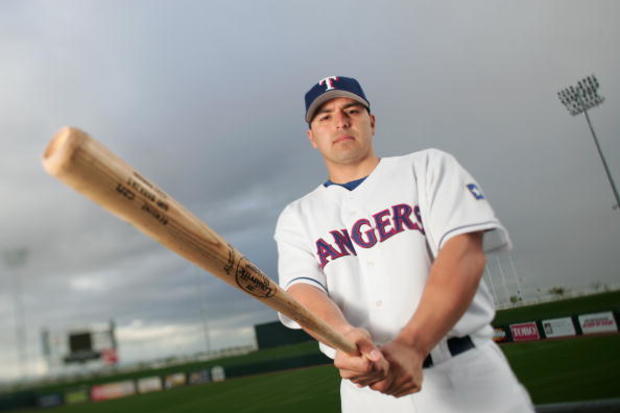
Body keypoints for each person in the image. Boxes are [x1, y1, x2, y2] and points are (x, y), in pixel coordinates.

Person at [274, 76, 533, 412]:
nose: (341, 120)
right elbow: (302, 292)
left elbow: (464, 255)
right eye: (325, 117)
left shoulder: (427, 167)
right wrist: (341, 335)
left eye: (352, 109)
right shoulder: (297, 216)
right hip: (367, 393)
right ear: (312, 137)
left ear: (372, 121)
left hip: (467, 375)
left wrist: (412, 344)